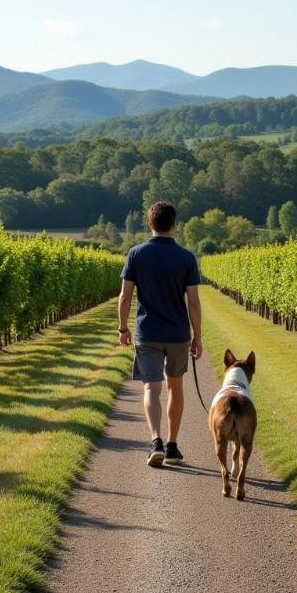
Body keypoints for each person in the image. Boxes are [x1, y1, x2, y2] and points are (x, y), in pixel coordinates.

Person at [118, 200, 203, 467]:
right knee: (175, 387)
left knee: (151, 388)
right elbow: (193, 302)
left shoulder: (136, 254)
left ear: (149, 223)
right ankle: (172, 446)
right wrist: (197, 336)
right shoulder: (187, 257)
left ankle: (155, 441)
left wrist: (123, 327)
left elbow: (125, 295)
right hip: (178, 333)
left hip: (147, 331)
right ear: (175, 225)